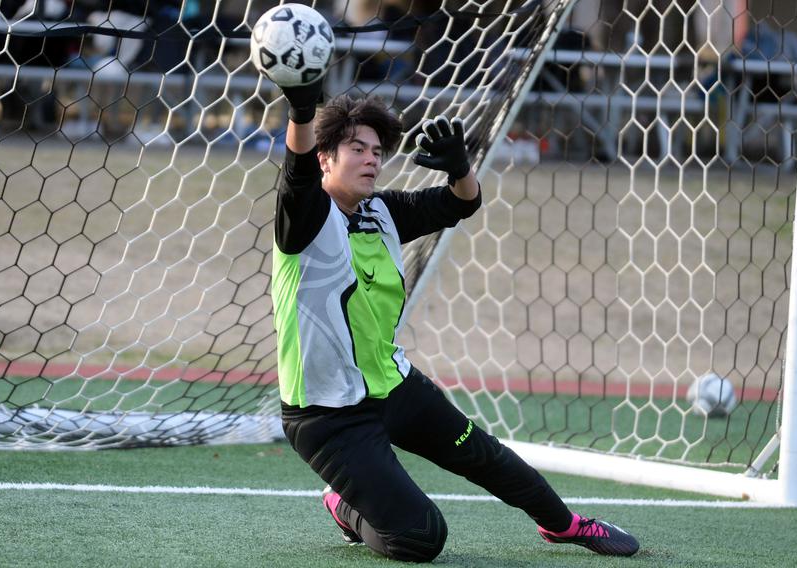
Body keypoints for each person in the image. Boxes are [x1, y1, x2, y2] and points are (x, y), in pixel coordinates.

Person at [271, 77, 640, 562]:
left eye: (378, 151)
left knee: (483, 453)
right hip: (327, 415)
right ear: (325, 158)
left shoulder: (381, 211)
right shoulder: (304, 216)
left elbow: (462, 202)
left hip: (392, 385)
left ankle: (566, 526)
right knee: (421, 537)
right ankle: (344, 505)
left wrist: (461, 168)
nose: (371, 159)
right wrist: (301, 110)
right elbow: (295, 174)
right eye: (356, 148)